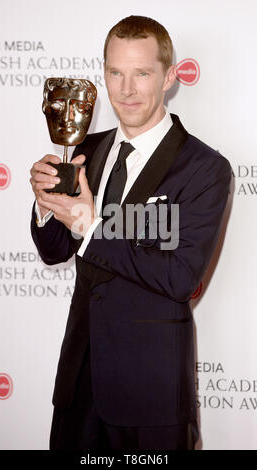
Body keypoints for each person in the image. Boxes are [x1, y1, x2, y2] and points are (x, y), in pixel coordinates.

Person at [30, 15, 231, 450]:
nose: (126, 89)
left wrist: (90, 226)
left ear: (170, 77)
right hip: (78, 391)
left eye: (142, 73)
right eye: (116, 73)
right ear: (103, 74)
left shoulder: (203, 169)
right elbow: (54, 251)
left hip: (151, 396)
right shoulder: (85, 150)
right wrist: (46, 204)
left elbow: (180, 278)